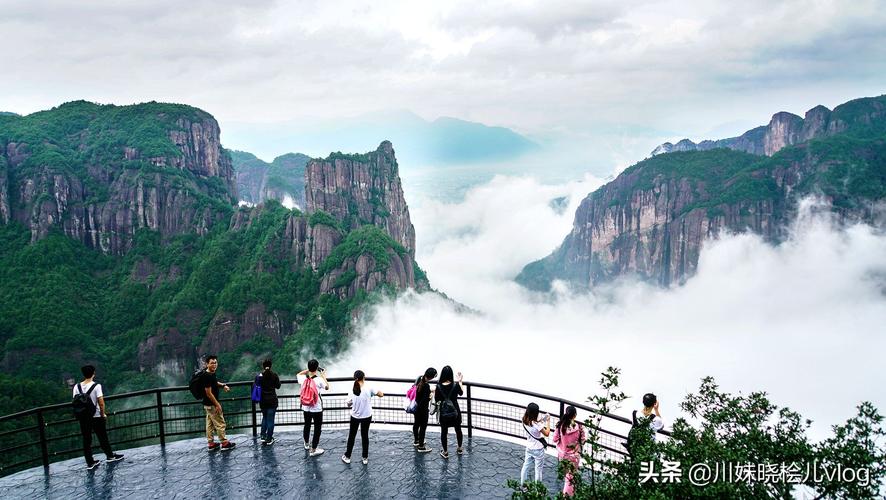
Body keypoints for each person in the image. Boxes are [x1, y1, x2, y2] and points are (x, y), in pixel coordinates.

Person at [73, 365, 124, 470]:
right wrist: (102, 414)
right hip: (96, 416)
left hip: (83, 417)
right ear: (93, 373)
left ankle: (90, 462)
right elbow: (101, 402)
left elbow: (75, 402)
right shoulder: (96, 386)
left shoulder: (76, 387)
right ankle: (110, 456)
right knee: (102, 437)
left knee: (86, 440)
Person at [341, 370, 384, 465]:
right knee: (365, 436)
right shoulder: (369, 388)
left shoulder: (352, 389)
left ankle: (347, 456)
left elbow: (348, 404)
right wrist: (373, 394)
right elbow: (381, 394)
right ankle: (365, 458)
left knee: (352, 436)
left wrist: (355, 401)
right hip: (366, 416)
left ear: (355, 378)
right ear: (364, 377)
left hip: (355, 416)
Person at [201, 355, 235, 451]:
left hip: (207, 404)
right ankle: (224, 443)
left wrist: (223, 385)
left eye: (215, 362)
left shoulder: (209, 374)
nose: (214, 364)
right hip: (211, 404)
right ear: (207, 364)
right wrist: (217, 404)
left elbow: (214, 382)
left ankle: (211, 443)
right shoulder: (207, 376)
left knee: (210, 424)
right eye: (212, 363)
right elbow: (208, 392)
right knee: (220, 423)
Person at [298, 359, 328, 456]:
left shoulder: (303, 378)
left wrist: (308, 370)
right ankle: (314, 449)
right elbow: (327, 387)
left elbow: (298, 374)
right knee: (317, 428)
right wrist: (323, 376)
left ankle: (306, 444)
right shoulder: (319, 380)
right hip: (316, 407)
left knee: (307, 425)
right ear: (317, 368)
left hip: (306, 406)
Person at [553, 405, 585, 496]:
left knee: (567, 476)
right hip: (574, 456)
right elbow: (583, 440)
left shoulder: (560, 426)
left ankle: (569, 493)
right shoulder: (579, 426)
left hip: (563, 455)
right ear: (575, 415)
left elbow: (555, 439)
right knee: (570, 477)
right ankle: (567, 495)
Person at [434, 365, 464, 459]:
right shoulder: (455, 385)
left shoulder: (438, 387)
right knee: (458, 429)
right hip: (455, 410)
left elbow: (437, 399)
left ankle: (445, 452)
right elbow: (461, 393)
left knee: (444, 431)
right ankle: (459, 448)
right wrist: (460, 381)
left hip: (444, 412)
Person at [520, 402, 550, 485]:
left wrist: (542, 419)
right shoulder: (537, 425)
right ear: (536, 413)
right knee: (538, 470)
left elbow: (536, 423)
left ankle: (523, 486)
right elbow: (547, 433)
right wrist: (548, 421)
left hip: (529, 447)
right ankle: (538, 491)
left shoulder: (524, 420)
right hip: (538, 449)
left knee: (525, 466)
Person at [412, 367, 437, 453]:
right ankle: (421, 446)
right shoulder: (426, 385)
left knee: (416, 424)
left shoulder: (419, 379)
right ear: (430, 377)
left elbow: (419, 395)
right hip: (422, 410)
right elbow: (424, 400)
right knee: (423, 427)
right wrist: (430, 396)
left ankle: (416, 441)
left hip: (416, 408)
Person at [258, 358, 281, 445]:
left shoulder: (259, 376)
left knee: (264, 418)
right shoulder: (274, 375)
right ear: (271, 366)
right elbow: (278, 386)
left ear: (263, 366)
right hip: (272, 400)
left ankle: (263, 436)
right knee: (270, 420)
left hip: (263, 401)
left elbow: (256, 387)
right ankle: (269, 438)